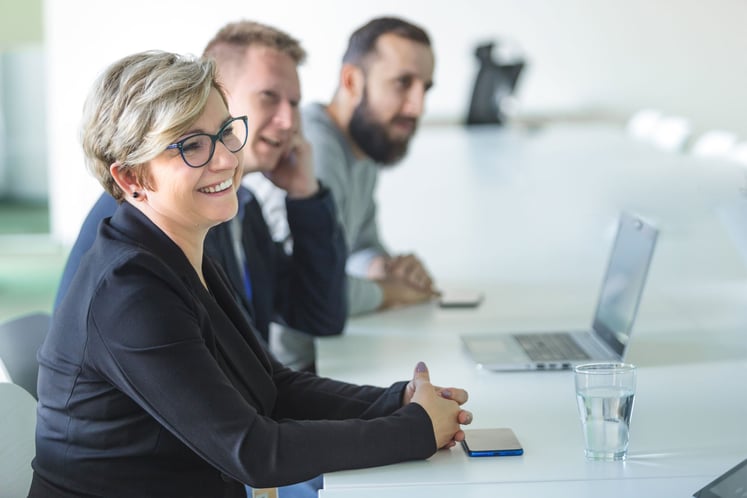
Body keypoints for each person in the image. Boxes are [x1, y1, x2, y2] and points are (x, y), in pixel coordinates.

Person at [31, 50, 471, 497]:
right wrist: (415, 430)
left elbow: (271, 387)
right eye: (192, 145)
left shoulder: (178, 249)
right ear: (130, 179)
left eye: (224, 132)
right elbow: (254, 451)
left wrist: (395, 401)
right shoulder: (128, 291)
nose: (224, 160)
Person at [54, 22, 347, 371]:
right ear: (214, 94)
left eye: (294, 103)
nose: (288, 121)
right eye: (269, 96)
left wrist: (305, 196)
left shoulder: (243, 208)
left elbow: (319, 317)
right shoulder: (151, 211)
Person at [253, 17, 439, 316]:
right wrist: (390, 291)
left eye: (425, 88)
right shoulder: (316, 148)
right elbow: (311, 287)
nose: (418, 106)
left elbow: (360, 245)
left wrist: (385, 267)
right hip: (299, 358)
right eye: (403, 83)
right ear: (352, 81)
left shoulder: (365, 148)